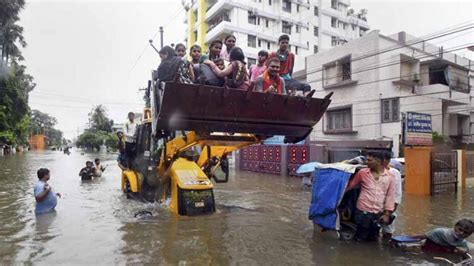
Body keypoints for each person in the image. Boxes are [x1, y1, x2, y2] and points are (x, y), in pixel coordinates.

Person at [345, 150, 396, 241]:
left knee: (374, 237)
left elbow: (390, 196)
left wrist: (387, 214)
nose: (366, 162)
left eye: (369, 160)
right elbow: (350, 186)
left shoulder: (390, 176)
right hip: (362, 211)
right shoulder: (362, 173)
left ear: (378, 161)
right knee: (360, 237)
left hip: (378, 212)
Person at [382, 151, 402, 239]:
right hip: (374, 206)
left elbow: (398, 193)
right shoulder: (371, 172)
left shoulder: (395, 173)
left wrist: (391, 210)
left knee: (388, 231)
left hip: (389, 206)